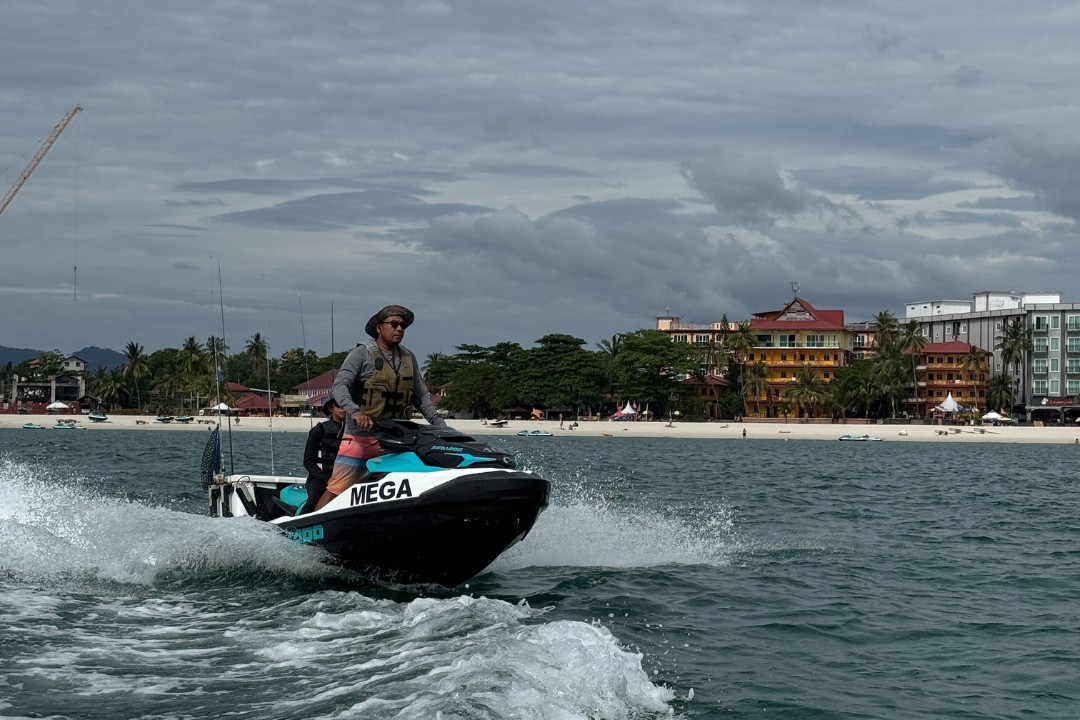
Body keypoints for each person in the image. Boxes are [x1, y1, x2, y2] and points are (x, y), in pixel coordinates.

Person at [315, 304, 447, 509]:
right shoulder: (361, 354)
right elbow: (339, 387)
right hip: (360, 438)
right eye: (394, 324)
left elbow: (422, 399)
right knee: (337, 489)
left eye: (403, 325)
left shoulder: (408, 358)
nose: (399, 329)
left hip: (396, 439)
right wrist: (355, 412)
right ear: (379, 327)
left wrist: (443, 429)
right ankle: (310, 527)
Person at [300, 396, 345, 514]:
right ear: (331, 408)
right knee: (315, 497)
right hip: (319, 478)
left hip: (343, 477)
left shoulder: (353, 432)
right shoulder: (320, 430)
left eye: (346, 406)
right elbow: (308, 462)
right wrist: (327, 479)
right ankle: (298, 523)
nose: (343, 409)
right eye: (339, 406)